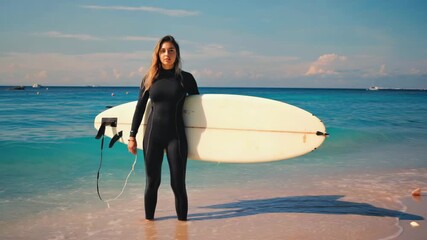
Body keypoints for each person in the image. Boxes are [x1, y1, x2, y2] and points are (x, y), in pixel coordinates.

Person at [128, 35, 199, 221]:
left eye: (171, 50)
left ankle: (183, 228)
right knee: (152, 183)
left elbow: (197, 108)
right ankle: (149, 227)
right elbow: (140, 108)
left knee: (178, 184)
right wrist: (132, 136)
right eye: (163, 51)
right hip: (153, 136)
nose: (167, 54)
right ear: (158, 54)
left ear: (177, 54)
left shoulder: (186, 79)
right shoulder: (149, 78)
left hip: (176, 137)